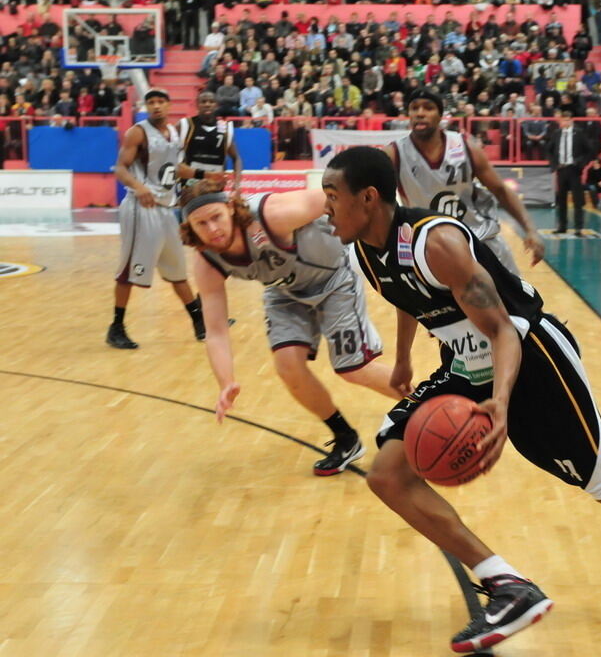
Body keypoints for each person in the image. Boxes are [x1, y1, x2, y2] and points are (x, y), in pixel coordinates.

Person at [320, 146, 601, 653]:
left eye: (333, 197)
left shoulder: (435, 241)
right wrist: (401, 359)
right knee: (388, 474)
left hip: (530, 356)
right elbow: (410, 296)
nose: (326, 208)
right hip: (465, 365)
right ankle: (507, 585)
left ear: (369, 198)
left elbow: (504, 331)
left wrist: (502, 402)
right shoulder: (367, 251)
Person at [178, 180, 404, 475]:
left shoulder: (273, 215)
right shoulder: (207, 261)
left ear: (231, 209)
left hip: (333, 280)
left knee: (353, 368)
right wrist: (226, 382)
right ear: (190, 229)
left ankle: (432, 401)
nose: (212, 229)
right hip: (284, 293)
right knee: (288, 367)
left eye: (216, 217)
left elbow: (336, 196)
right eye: (201, 223)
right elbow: (217, 331)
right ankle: (345, 439)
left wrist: (386, 230)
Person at [384, 88, 544, 275]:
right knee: (414, 302)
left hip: (479, 238)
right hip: (430, 246)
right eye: (414, 108)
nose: (420, 113)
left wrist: (530, 229)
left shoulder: (465, 146)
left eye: (428, 108)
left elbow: (500, 190)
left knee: (518, 302)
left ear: (440, 116)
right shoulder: (394, 153)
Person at [107, 89, 205, 349]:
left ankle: (199, 323)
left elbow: (176, 169)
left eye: (161, 101)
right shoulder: (137, 132)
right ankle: (116, 327)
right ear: (146, 106)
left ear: (169, 104)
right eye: (151, 102)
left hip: (165, 208)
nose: (156, 106)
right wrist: (139, 188)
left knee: (177, 270)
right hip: (141, 208)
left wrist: (203, 174)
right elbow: (119, 167)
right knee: (130, 270)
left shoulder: (173, 133)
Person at [176, 91, 243, 190]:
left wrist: (237, 183)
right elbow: (169, 155)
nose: (207, 104)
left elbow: (236, 158)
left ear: (216, 105)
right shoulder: (184, 125)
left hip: (215, 186)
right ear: (197, 105)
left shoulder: (225, 127)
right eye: (203, 102)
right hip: (190, 187)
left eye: (211, 102)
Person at [546, 110, 592, 235]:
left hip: (574, 169)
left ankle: (578, 227)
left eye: (567, 119)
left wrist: (581, 164)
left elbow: (589, 150)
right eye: (563, 119)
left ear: (572, 120)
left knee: (577, 199)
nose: (565, 122)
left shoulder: (579, 133)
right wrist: (554, 165)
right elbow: (549, 150)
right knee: (561, 199)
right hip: (561, 169)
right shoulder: (557, 133)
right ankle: (562, 226)